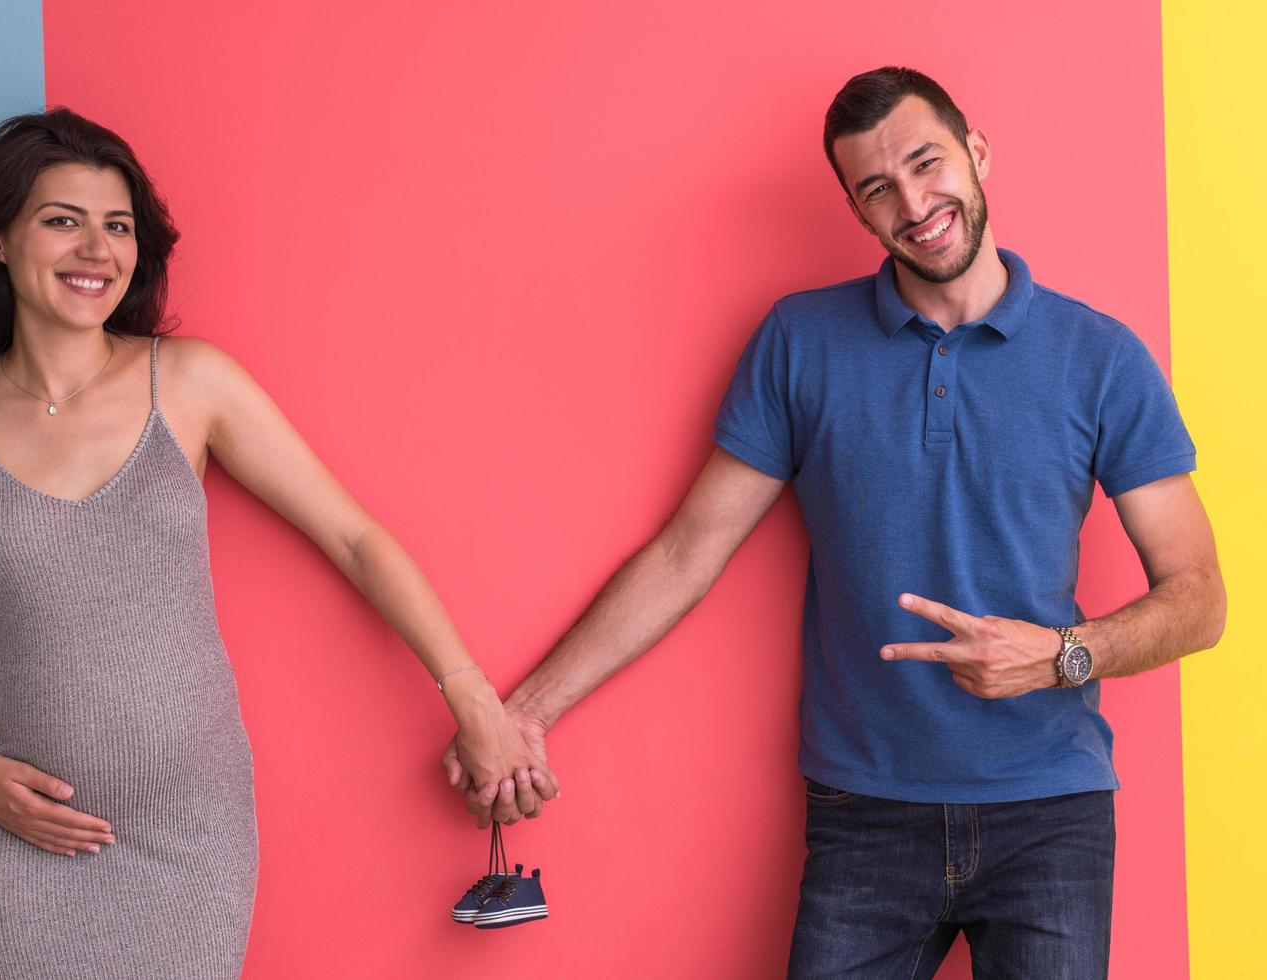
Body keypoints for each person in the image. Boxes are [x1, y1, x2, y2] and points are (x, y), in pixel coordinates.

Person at [442, 67, 1226, 977]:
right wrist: (522, 715)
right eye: (877, 189)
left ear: (975, 154)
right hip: (864, 812)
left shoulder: (1099, 358)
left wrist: (1056, 656)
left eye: (927, 163)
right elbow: (688, 551)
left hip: (1050, 811)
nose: (914, 202)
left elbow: (1198, 597)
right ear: (856, 211)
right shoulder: (800, 341)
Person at [0, 108, 552, 979]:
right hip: (3, 840)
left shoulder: (189, 382)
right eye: (62, 220)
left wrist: (472, 699)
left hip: (186, 838)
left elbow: (353, 535)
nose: (97, 250)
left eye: (118, 228)